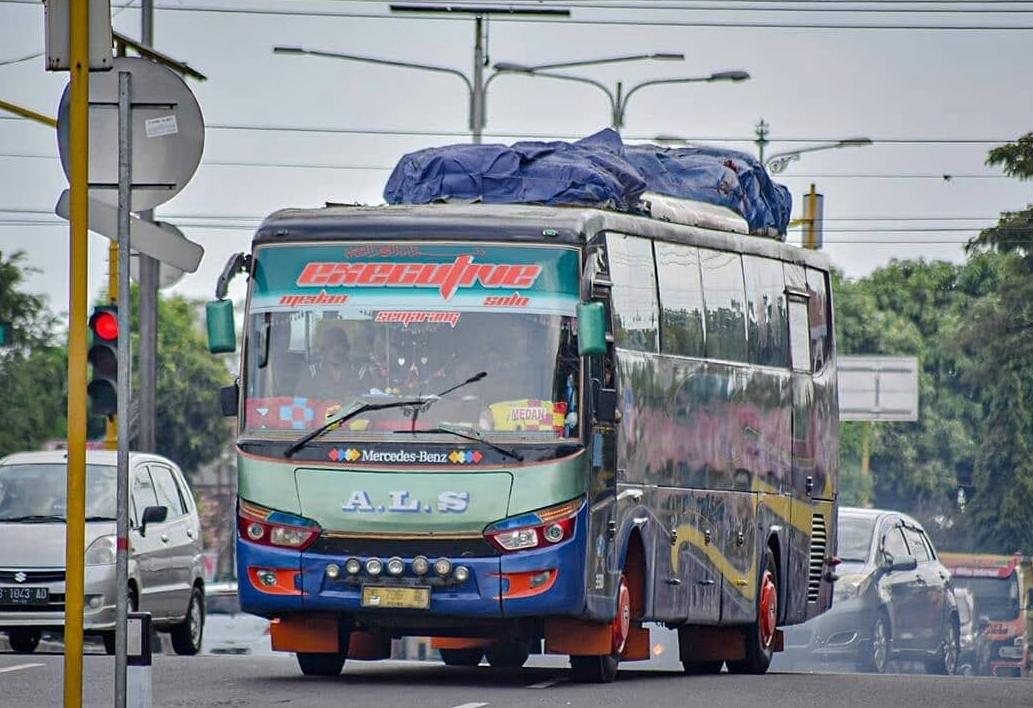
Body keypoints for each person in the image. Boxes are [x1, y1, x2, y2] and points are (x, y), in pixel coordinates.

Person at [300, 326, 363, 402]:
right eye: (330, 345)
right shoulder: (311, 372)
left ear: (347, 348)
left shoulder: (360, 372)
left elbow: (372, 401)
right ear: (323, 350)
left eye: (340, 345)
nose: (335, 350)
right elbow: (300, 402)